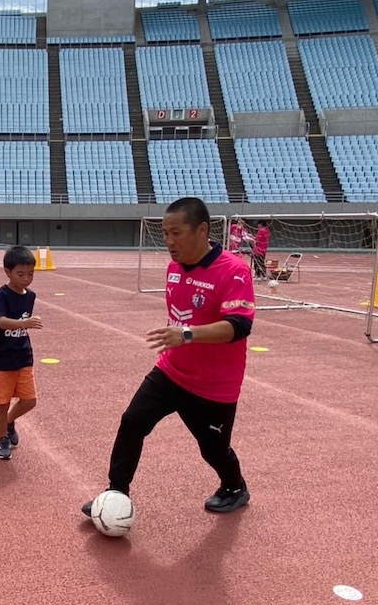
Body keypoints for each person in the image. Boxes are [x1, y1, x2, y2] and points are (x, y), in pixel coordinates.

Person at [81, 197, 257, 518]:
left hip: (213, 386)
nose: (169, 241)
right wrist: (177, 338)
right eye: (164, 233)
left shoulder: (234, 270)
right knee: (132, 422)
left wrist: (187, 334)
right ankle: (115, 492)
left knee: (213, 450)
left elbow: (240, 325)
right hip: (170, 372)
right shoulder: (173, 268)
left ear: (202, 230)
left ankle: (234, 486)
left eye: (176, 232)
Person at [0, 245, 43, 460]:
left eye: (31, 274)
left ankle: (9, 421)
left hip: (23, 356)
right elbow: (1, 322)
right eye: (21, 274)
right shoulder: (1, 295)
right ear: (7, 272)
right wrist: (24, 322)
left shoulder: (31, 295)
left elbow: (20, 325)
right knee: (2, 402)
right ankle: (2, 438)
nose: (26, 278)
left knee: (30, 400)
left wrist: (24, 324)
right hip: (0, 358)